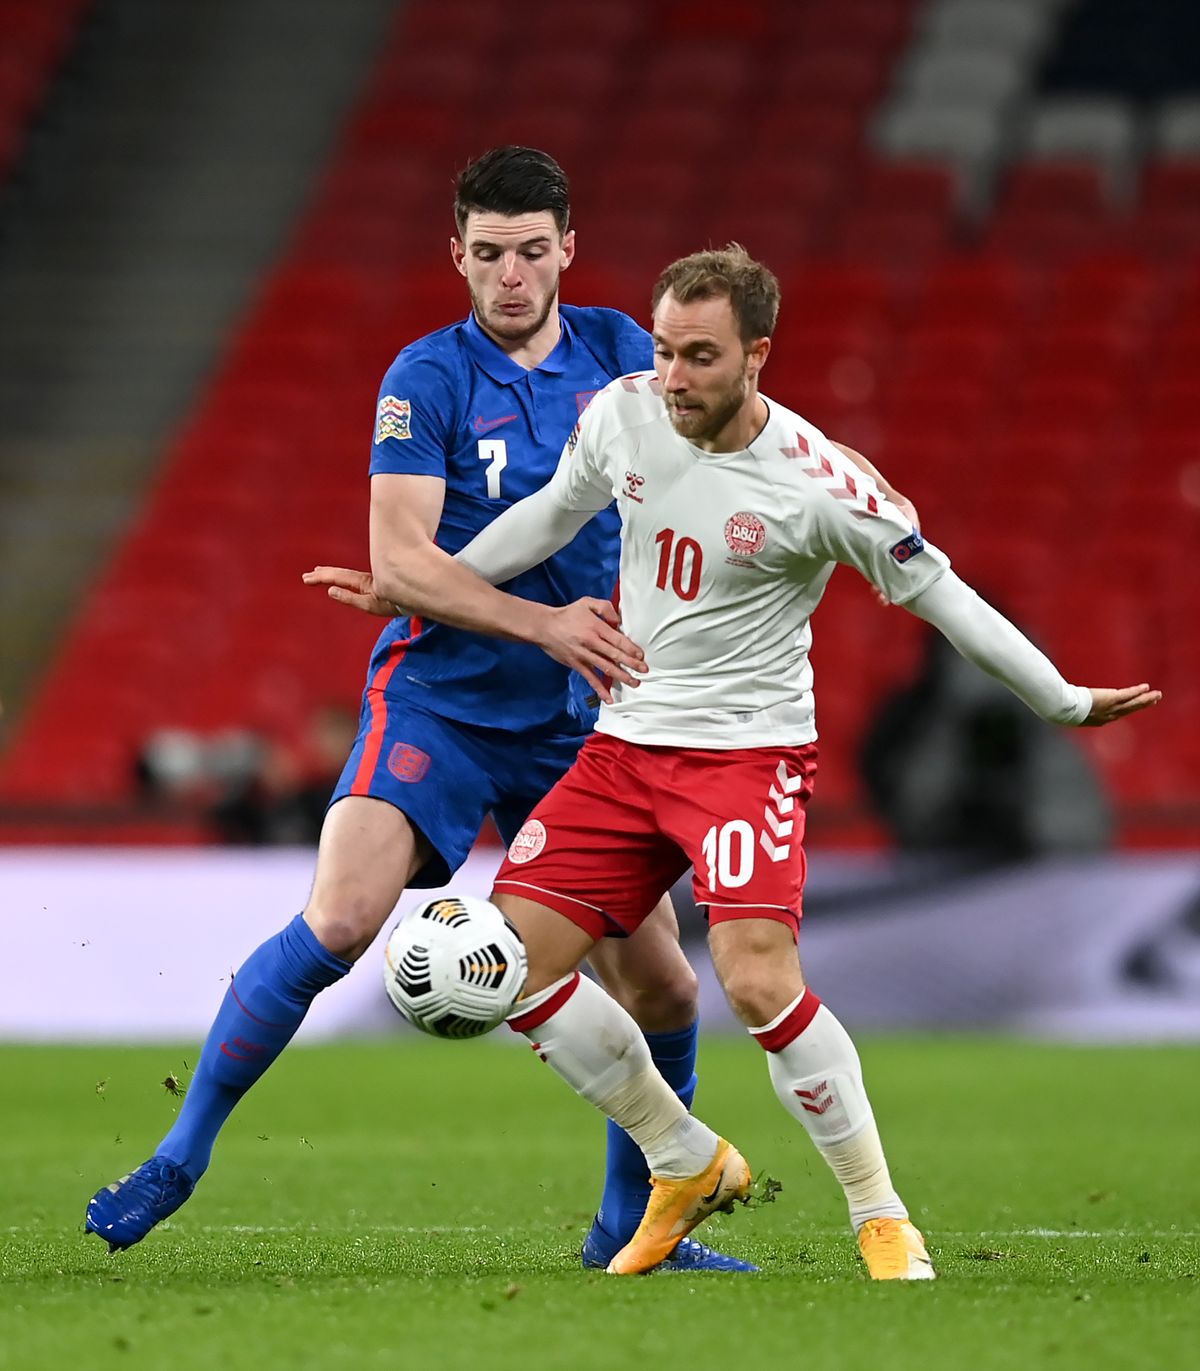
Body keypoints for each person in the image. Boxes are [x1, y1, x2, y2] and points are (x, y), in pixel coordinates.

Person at [323, 246, 1159, 1278]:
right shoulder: (624, 411)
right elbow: (546, 519)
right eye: (666, 350)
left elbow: (946, 598)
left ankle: (879, 1214)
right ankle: (684, 1159)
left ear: (758, 356)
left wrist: (1061, 699)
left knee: (758, 983)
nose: (672, 377)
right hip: (624, 748)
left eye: (700, 358)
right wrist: (418, 584)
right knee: (507, 970)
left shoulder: (821, 486)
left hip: (745, 759)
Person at [88, 148, 763, 1271]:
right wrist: (535, 618)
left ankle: (630, 1225)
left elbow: (725, 450)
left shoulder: (619, 356)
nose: (510, 276)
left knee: (661, 981)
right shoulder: (425, 379)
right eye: (488, 253)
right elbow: (396, 559)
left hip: (581, 722)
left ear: (568, 252)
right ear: (457, 253)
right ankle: (179, 1154)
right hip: (441, 701)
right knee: (342, 919)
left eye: (532, 252)